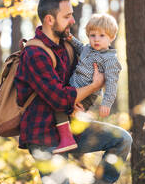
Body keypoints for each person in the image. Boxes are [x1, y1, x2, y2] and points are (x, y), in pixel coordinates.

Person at [14, 0, 132, 184]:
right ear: (50, 20)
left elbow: (84, 81)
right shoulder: (34, 53)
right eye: (67, 16)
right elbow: (60, 99)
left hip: (70, 126)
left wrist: (88, 98)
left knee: (122, 140)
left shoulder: (66, 46)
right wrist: (94, 86)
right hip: (44, 135)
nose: (72, 21)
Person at [52, 13, 122, 154]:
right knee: (61, 106)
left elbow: (112, 83)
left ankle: (67, 139)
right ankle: (67, 136)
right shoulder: (88, 49)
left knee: (62, 107)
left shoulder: (110, 59)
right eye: (92, 35)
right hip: (73, 87)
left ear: (111, 37)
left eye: (102, 36)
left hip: (87, 94)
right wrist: (70, 38)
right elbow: (80, 47)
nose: (96, 39)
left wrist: (107, 103)